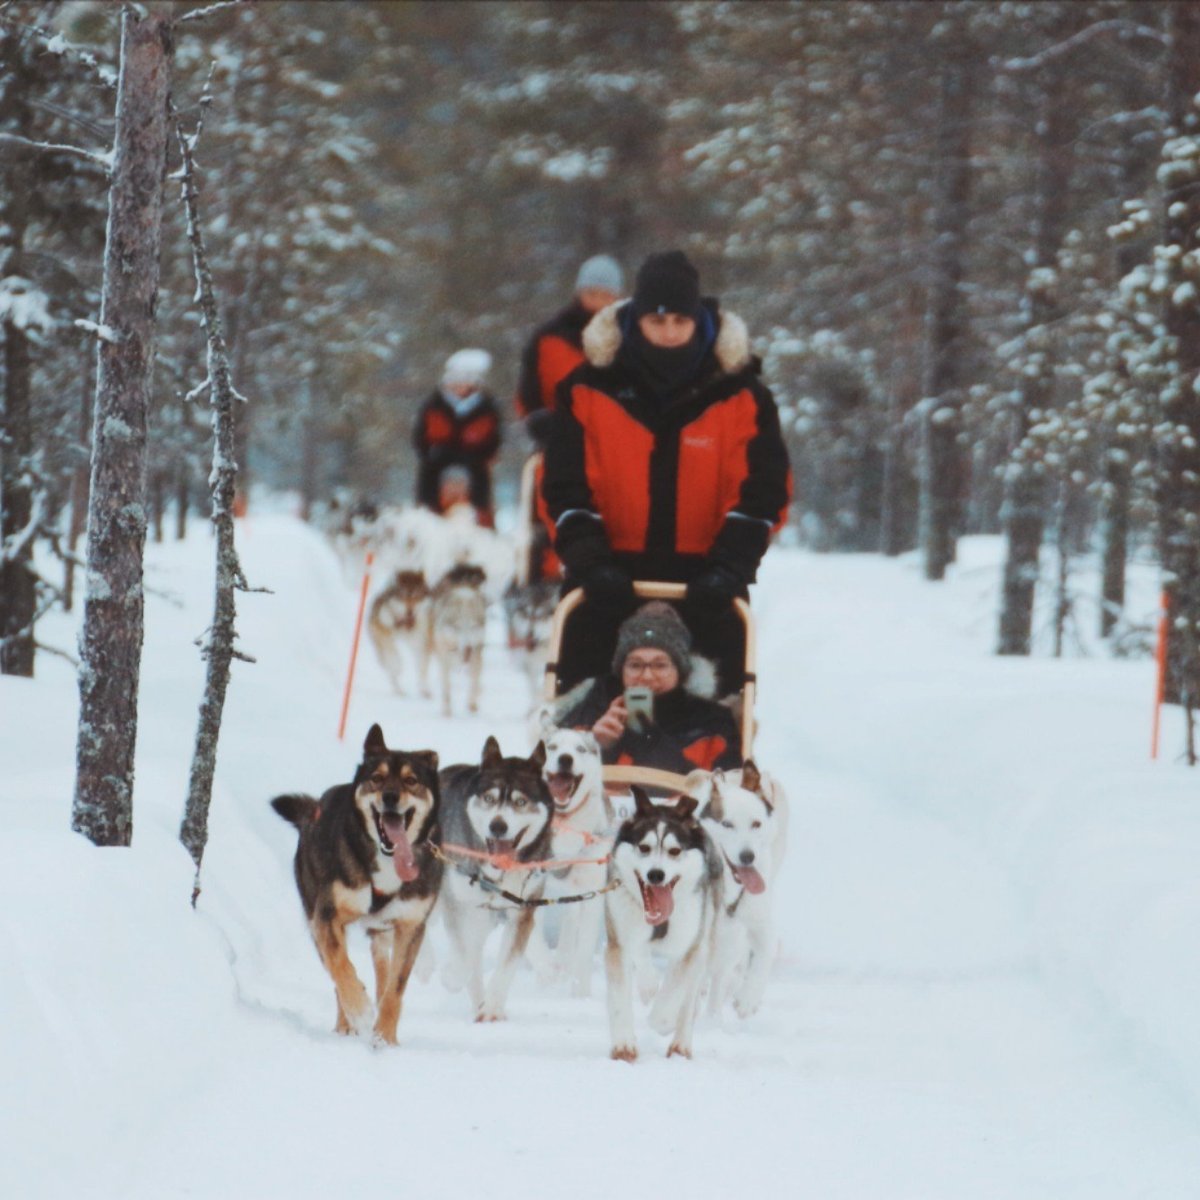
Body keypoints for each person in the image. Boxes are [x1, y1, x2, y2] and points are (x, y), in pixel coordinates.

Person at [541, 249, 791, 692]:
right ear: (635, 319)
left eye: (680, 320)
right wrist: (589, 561)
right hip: (604, 583)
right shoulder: (585, 390)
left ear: (699, 319)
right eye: (657, 321)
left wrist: (729, 569)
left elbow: (764, 491)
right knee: (591, 716)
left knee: (709, 722)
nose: (670, 332)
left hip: (707, 586)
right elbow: (564, 487)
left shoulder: (742, 396)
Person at [515, 255, 625, 582]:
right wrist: (539, 420)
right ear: (579, 292)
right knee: (550, 509)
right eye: (593, 293)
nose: (599, 301)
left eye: (607, 295)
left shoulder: (628, 338)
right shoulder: (549, 338)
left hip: (613, 444)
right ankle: (543, 575)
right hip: (557, 440)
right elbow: (529, 393)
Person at [555, 601, 742, 774]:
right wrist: (595, 744)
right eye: (635, 665)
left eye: (660, 665)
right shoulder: (594, 707)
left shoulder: (712, 722)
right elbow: (556, 781)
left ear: (680, 671)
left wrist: (649, 739)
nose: (646, 676)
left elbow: (722, 791)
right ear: (621, 670)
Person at [413, 349, 502, 526]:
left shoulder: (486, 408)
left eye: (465, 382)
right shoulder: (434, 406)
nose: (459, 386)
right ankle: (427, 514)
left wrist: (481, 454)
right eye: (455, 381)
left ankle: (481, 517)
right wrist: (432, 451)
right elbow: (420, 438)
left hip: (474, 458)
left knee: (480, 477)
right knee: (429, 473)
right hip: (438, 459)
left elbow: (494, 439)